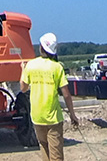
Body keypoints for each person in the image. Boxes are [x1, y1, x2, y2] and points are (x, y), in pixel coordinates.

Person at [20, 32, 79, 161]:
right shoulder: (57, 67)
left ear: (41, 47)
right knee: (56, 155)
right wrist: (72, 115)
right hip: (53, 118)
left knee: (44, 148)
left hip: (37, 117)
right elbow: (67, 94)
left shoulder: (31, 65)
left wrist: (23, 71)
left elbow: (23, 88)